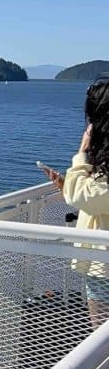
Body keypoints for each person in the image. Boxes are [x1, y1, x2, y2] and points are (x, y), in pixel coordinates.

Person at [44, 78, 109, 311]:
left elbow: (90, 196)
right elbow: (96, 199)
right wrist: (68, 187)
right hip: (101, 264)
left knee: (100, 329)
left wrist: (82, 152)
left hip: (104, 266)